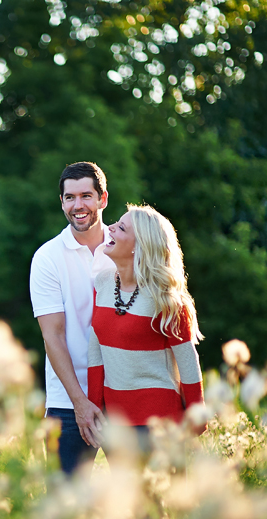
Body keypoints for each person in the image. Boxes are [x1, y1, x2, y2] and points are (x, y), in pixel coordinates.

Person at [87, 204, 204, 451]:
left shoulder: (167, 298)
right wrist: (94, 406)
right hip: (115, 423)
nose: (110, 229)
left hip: (160, 424)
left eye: (120, 228)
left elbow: (187, 359)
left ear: (138, 246)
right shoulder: (103, 283)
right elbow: (95, 350)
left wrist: (196, 413)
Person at [30, 161, 116, 475]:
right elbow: (52, 336)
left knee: (144, 502)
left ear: (103, 199)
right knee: (63, 511)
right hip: (68, 401)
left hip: (125, 393)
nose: (77, 205)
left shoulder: (128, 246)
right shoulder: (48, 258)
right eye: (69, 198)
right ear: (62, 202)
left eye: (86, 196)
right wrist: (80, 402)